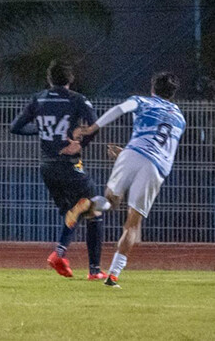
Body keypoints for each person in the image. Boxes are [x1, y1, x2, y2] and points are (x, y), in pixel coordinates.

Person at [72, 72, 185, 288]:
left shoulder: (142, 101)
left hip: (133, 154)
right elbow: (163, 149)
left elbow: (119, 109)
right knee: (132, 223)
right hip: (156, 167)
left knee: (111, 200)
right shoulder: (180, 118)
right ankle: (113, 276)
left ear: (152, 89)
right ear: (172, 94)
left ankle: (87, 205)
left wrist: (93, 128)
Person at [10, 60, 106, 279]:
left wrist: (44, 131)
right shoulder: (76, 100)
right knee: (95, 205)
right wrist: (80, 144)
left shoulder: (38, 99)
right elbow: (95, 125)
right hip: (69, 165)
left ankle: (78, 263)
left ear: (49, 79)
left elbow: (15, 127)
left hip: (47, 167)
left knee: (78, 211)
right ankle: (66, 256)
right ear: (70, 80)